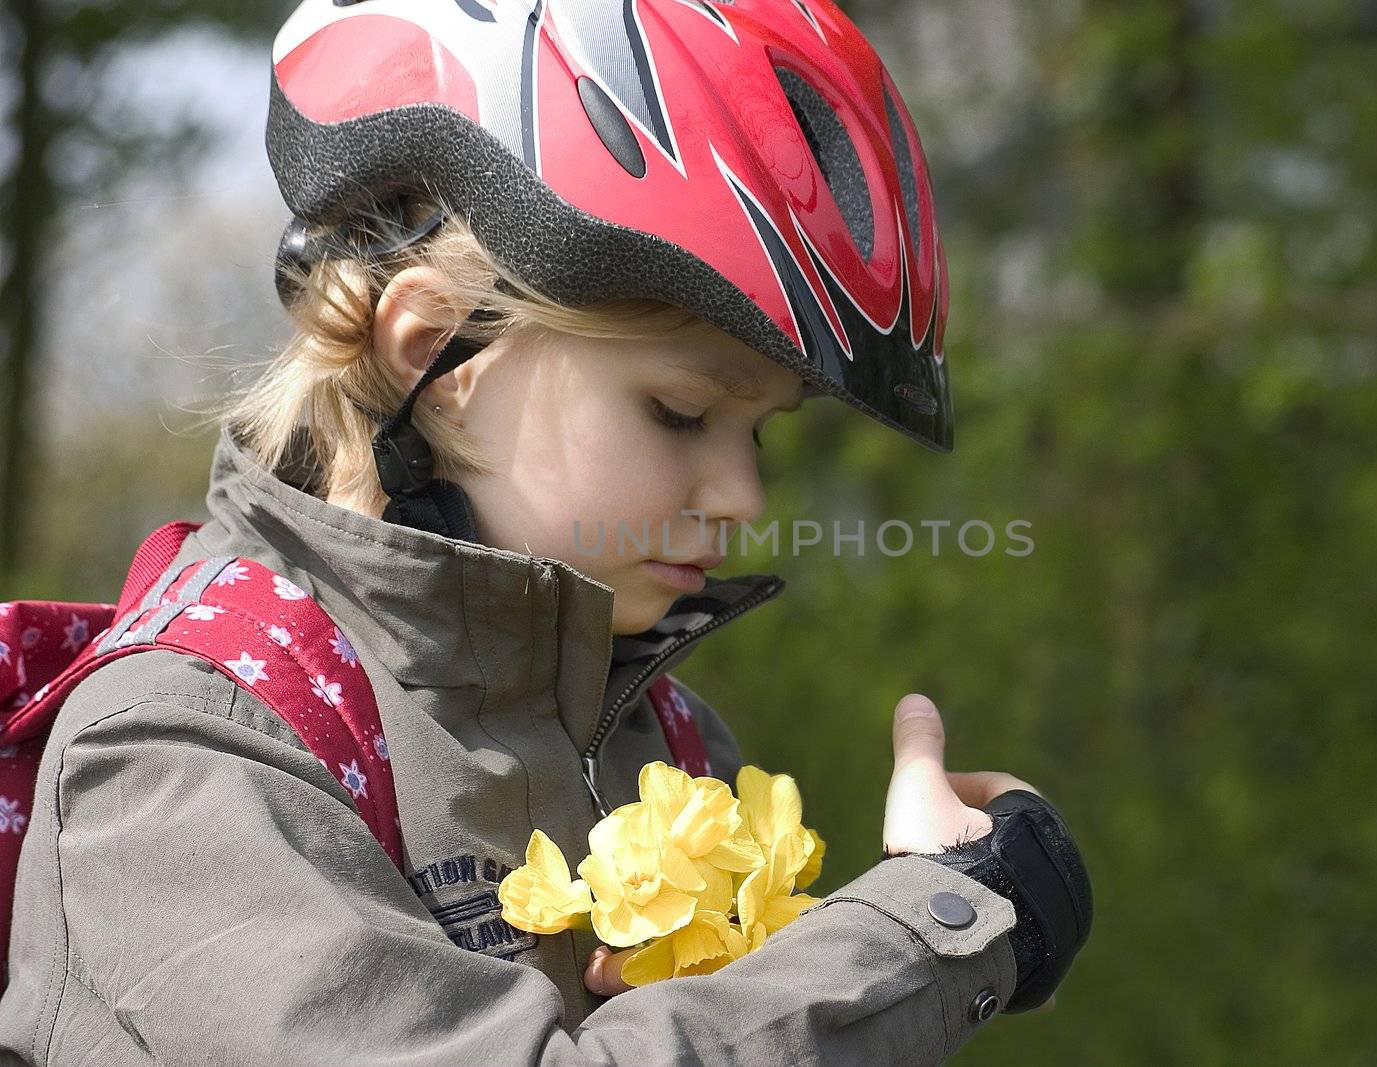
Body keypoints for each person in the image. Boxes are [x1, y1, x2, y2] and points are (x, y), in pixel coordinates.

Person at [0, 1, 1090, 1062]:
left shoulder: (655, 732)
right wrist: (942, 927)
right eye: (680, 410)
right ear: (435, 353)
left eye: (759, 431)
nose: (744, 496)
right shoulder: (182, 752)